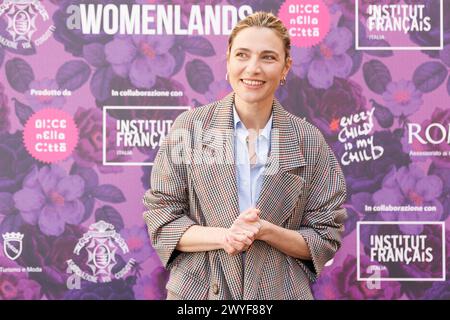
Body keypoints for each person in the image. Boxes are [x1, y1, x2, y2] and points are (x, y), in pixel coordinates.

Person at [143, 11, 347, 300]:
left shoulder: (308, 141)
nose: (253, 68)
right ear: (227, 60)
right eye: (242, 55)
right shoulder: (189, 129)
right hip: (198, 294)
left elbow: (325, 236)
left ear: (286, 67)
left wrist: (265, 231)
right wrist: (226, 236)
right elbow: (163, 220)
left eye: (268, 57)